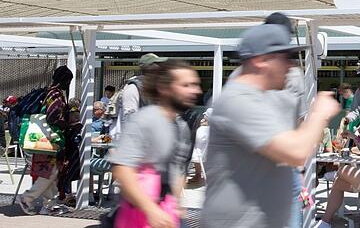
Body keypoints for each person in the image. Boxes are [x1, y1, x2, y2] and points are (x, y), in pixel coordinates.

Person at [201, 23, 340, 228]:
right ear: (261, 61)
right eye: (285, 58)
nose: (291, 66)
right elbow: (296, 151)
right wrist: (319, 113)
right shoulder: (238, 100)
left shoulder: (259, 99)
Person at [108, 61, 200, 228]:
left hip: (165, 213)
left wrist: (176, 203)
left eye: (195, 85)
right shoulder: (144, 120)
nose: (196, 91)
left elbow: (178, 171)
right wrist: (150, 209)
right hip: (139, 217)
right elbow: (122, 170)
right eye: (186, 85)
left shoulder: (181, 126)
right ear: (165, 88)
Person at [18, 65, 73, 215]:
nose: (68, 84)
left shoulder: (49, 92)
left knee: (50, 173)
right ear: (64, 80)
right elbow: (53, 116)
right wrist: (67, 124)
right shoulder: (55, 94)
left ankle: (48, 205)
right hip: (49, 140)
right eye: (68, 81)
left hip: (44, 140)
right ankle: (27, 198)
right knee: (49, 173)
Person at [317, 111, 360, 227]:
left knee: (343, 171)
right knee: (338, 184)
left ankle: (338, 173)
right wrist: (354, 137)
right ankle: (325, 222)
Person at [110, 53, 167, 140]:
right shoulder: (133, 88)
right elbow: (129, 118)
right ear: (148, 68)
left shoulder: (157, 87)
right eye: (157, 64)